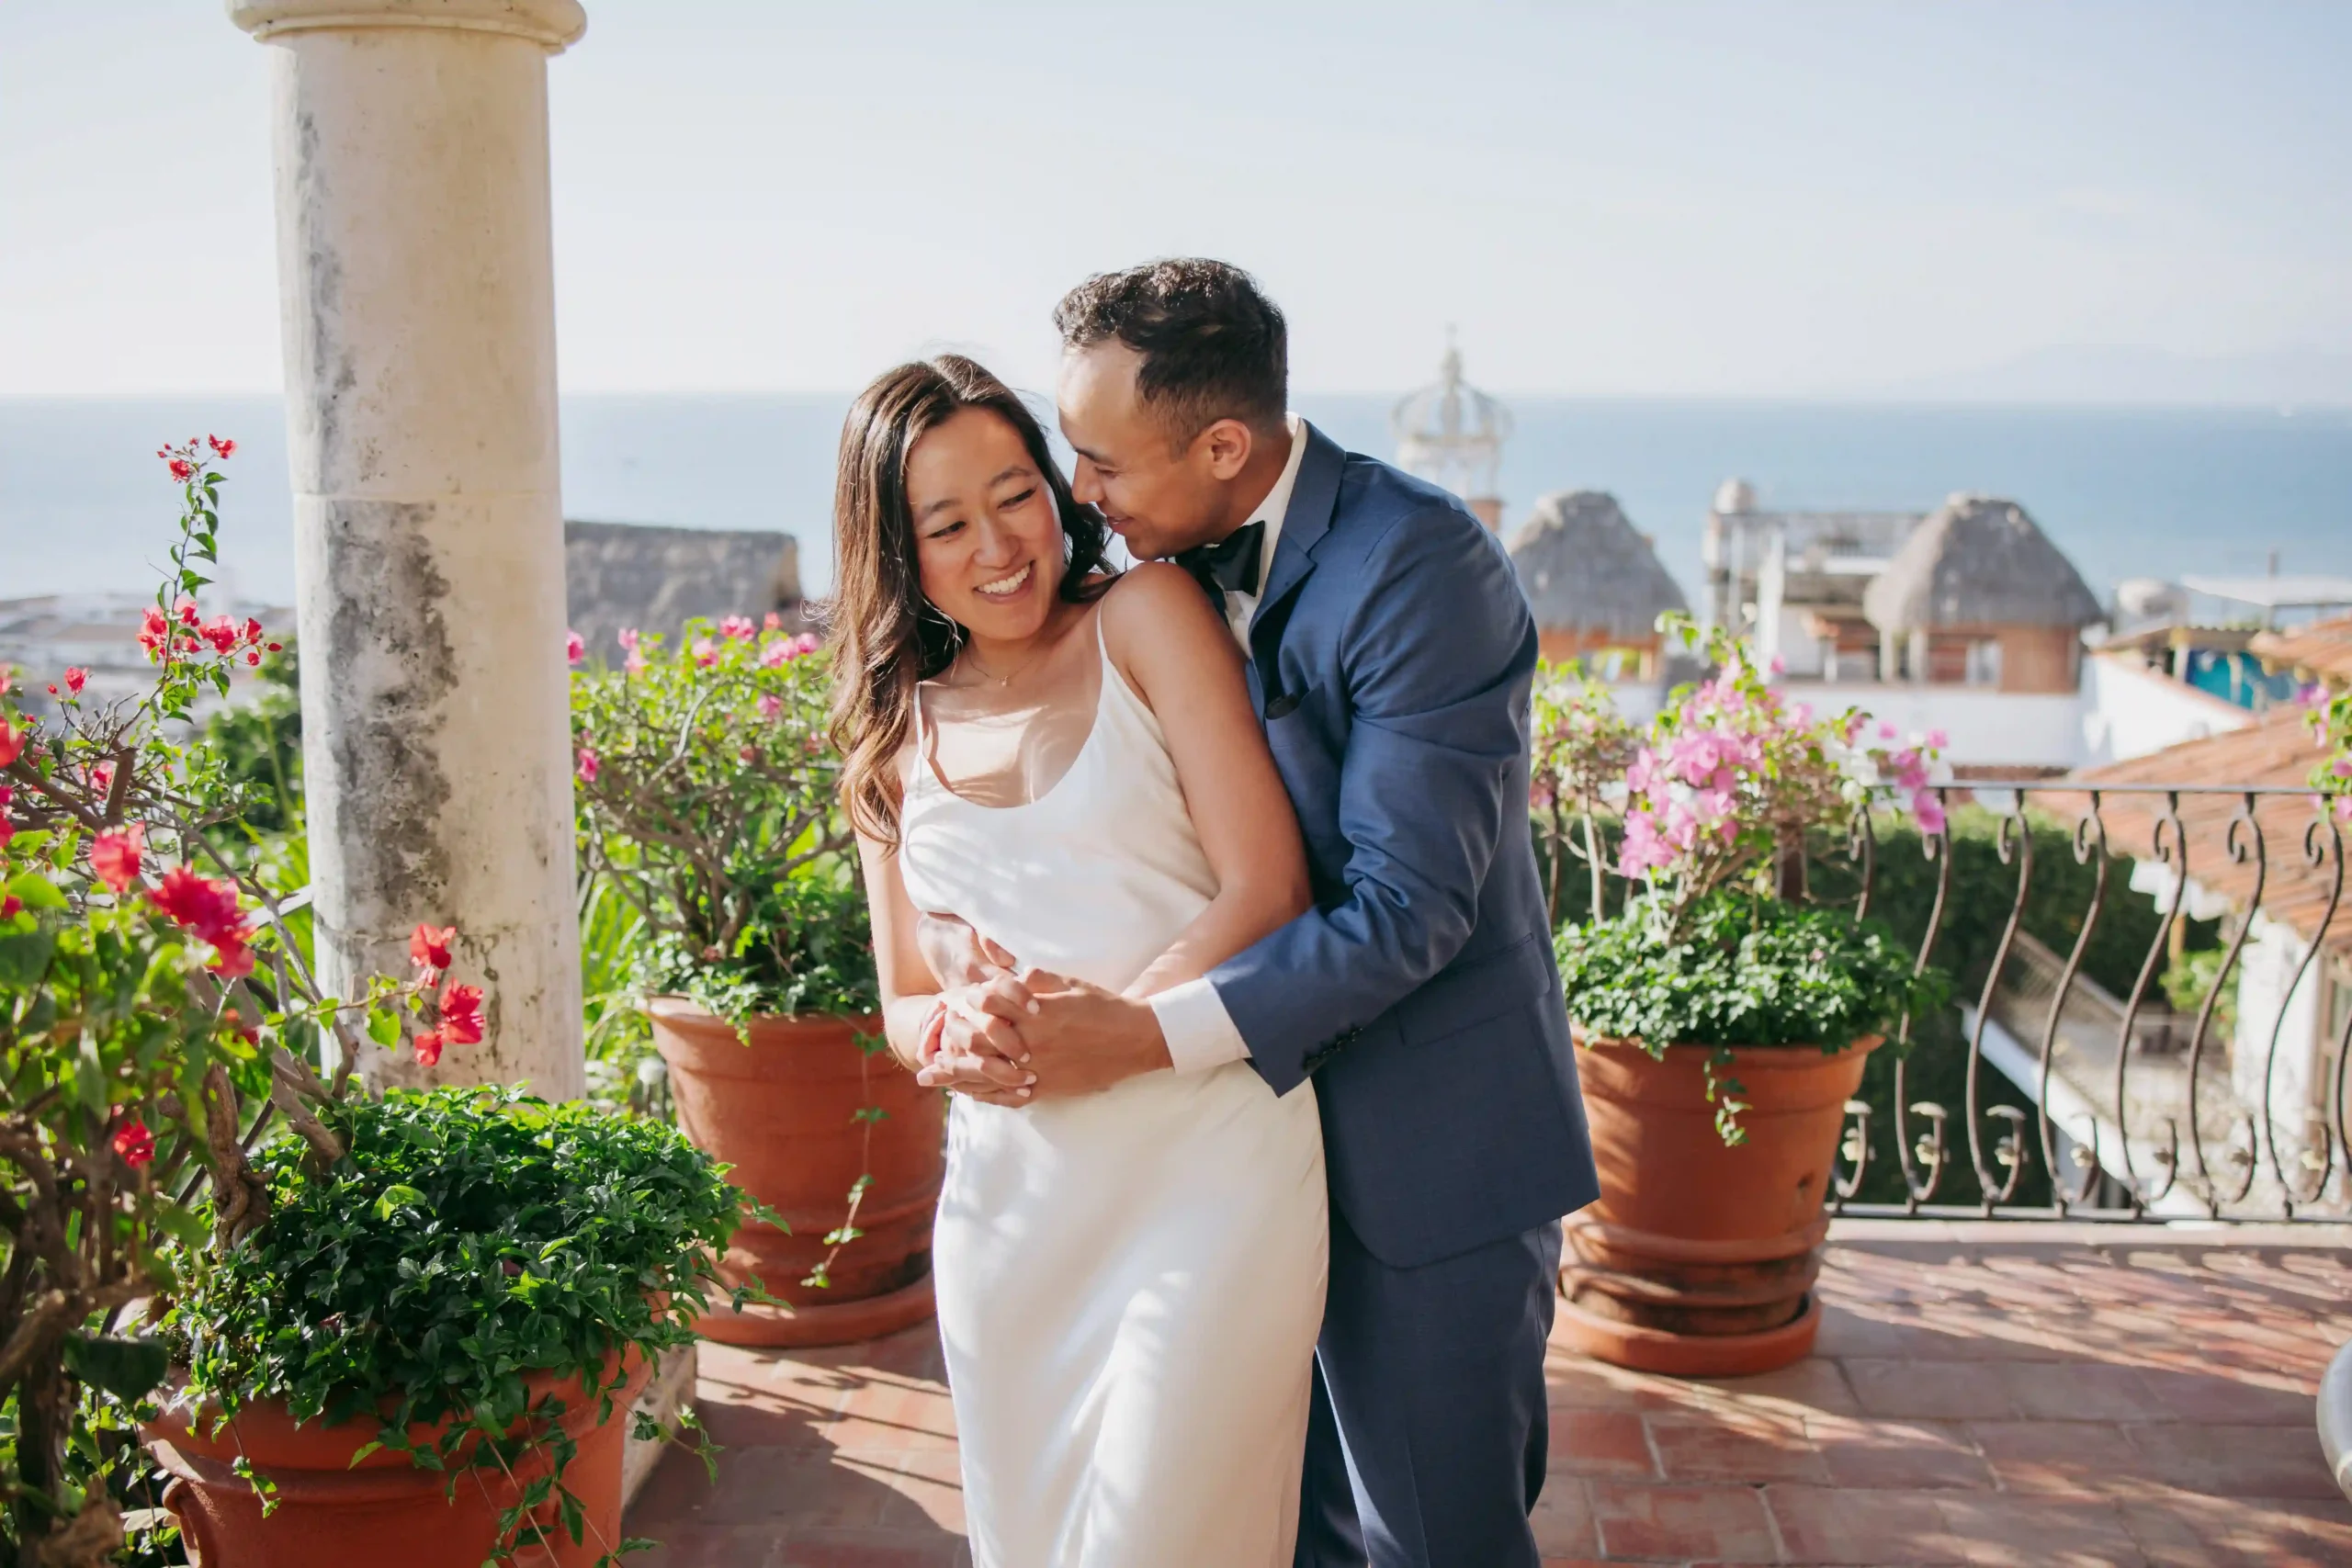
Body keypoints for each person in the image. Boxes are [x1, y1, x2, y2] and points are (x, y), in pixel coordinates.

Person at [921, 259, 1600, 1568]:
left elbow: (1408, 908)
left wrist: (1137, 1036)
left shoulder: (1421, 565)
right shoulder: (1132, 589)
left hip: (1423, 1158)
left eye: (1099, 461)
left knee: (1429, 1539)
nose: (1079, 495)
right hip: (1230, 1166)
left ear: (1224, 445)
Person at [832, 354, 1329, 1566]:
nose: (1001, 543)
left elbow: (1270, 887)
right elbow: (902, 997)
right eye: (947, 523)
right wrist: (952, 1035)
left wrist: (1111, 1031)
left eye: (1017, 493)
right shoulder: (888, 721)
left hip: (1211, 1170)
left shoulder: (1148, 616)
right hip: (1013, 1211)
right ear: (901, 553)